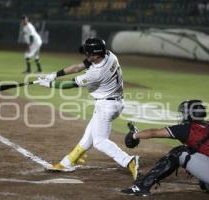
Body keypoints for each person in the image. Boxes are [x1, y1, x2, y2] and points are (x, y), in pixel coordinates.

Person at [37, 37, 139, 180]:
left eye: (89, 53)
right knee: (88, 137)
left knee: (99, 141)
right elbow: (78, 66)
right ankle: (67, 163)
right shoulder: (109, 55)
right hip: (114, 102)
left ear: (96, 55)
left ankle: (129, 161)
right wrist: (55, 74)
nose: (86, 55)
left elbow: (70, 85)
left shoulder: (96, 73)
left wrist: (48, 84)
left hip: (106, 106)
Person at [122, 99, 209, 196]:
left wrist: (134, 135)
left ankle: (141, 187)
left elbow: (154, 132)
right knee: (203, 177)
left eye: (184, 113)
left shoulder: (188, 128)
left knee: (179, 152)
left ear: (189, 114)